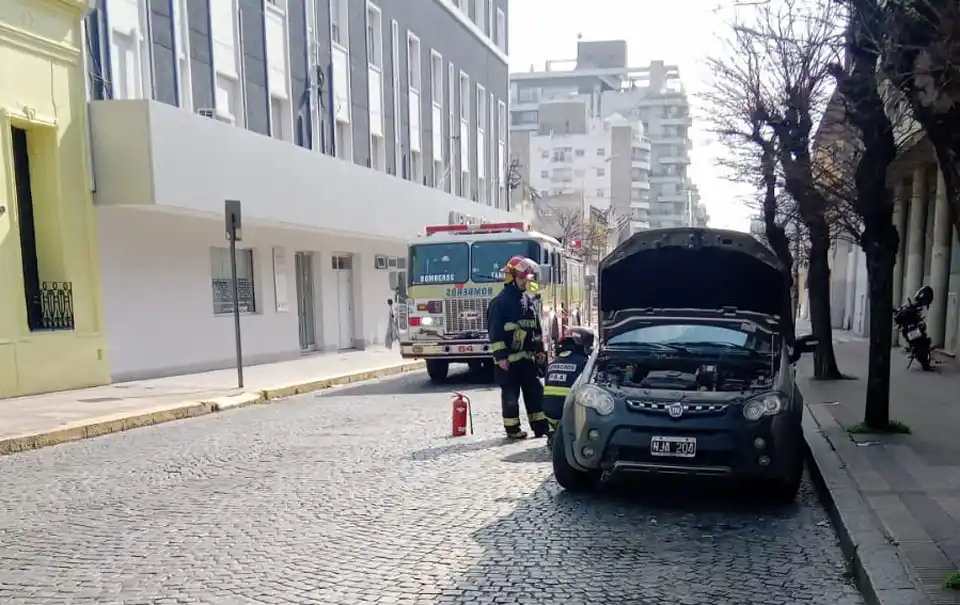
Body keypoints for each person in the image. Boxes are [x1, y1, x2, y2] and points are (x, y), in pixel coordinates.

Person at [487, 255, 550, 440]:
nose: (525, 281)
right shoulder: (499, 303)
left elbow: (536, 328)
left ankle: (541, 428)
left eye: (526, 278)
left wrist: (540, 350)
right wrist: (501, 357)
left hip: (528, 360)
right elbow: (495, 332)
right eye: (522, 278)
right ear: (511, 278)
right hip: (510, 362)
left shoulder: (527, 301)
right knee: (510, 396)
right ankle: (513, 429)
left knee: (535, 394)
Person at [542, 327, 595, 447]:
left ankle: (554, 433)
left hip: (549, 414)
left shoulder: (553, 362)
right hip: (569, 414)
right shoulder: (584, 363)